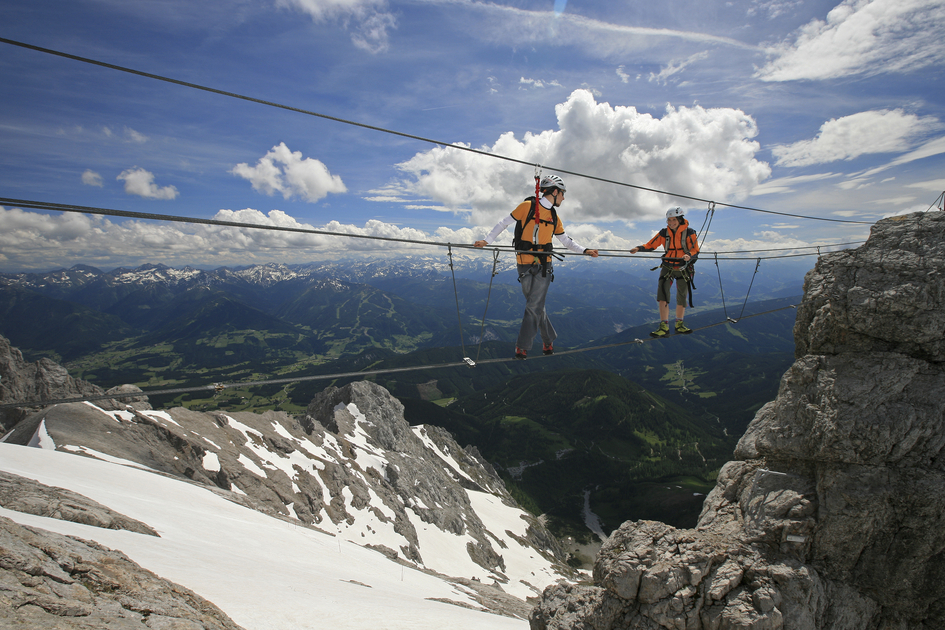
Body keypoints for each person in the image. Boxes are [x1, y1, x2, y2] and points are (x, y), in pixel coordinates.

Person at [474, 175, 599, 359]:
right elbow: (504, 223)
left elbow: (565, 240)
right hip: (524, 263)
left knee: (533, 305)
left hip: (544, 265)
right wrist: (487, 241)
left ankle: (522, 346)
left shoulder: (555, 216)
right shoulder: (527, 207)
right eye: (562, 194)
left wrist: (585, 250)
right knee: (536, 304)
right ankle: (548, 339)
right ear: (554, 191)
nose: (564, 198)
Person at [630, 207, 700, 338]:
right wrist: (638, 248)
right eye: (669, 220)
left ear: (680, 219)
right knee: (662, 296)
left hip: (683, 268)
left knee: (682, 296)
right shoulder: (664, 232)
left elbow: (695, 250)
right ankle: (664, 326)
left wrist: (689, 256)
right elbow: (651, 244)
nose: (671, 222)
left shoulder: (689, 232)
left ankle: (679, 324)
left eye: (674, 220)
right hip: (668, 266)